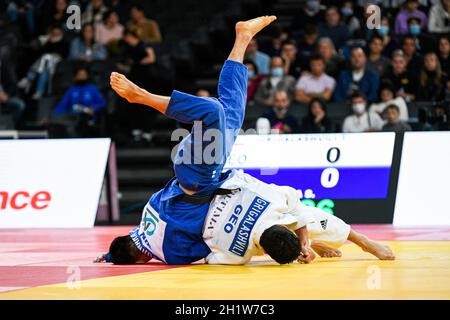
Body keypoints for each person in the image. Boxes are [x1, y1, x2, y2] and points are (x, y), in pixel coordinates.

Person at [96, 16, 394, 266]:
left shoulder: (192, 252)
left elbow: (209, 251)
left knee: (211, 112)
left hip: (199, 180)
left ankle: (142, 97)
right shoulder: (151, 228)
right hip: (202, 176)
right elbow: (136, 243)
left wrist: (112, 256)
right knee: (232, 111)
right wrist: (110, 254)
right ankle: (243, 37)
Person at [52, 67, 106, 136]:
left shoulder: (92, 89)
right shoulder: (71, 90)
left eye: (84, 75)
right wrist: (52, 117)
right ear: (75, 77)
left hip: (87, 118)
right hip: (72, 119)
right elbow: (62, 105)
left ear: (87, 76)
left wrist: (93, 108)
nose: (82, 76)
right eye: (80, 75)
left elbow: (102, 103)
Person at [0, 58, 26, 128]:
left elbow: (12, 86)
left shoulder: (5, 69)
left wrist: (6, 95)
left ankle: (11, 127)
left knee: (20, 105)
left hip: (4, 98)